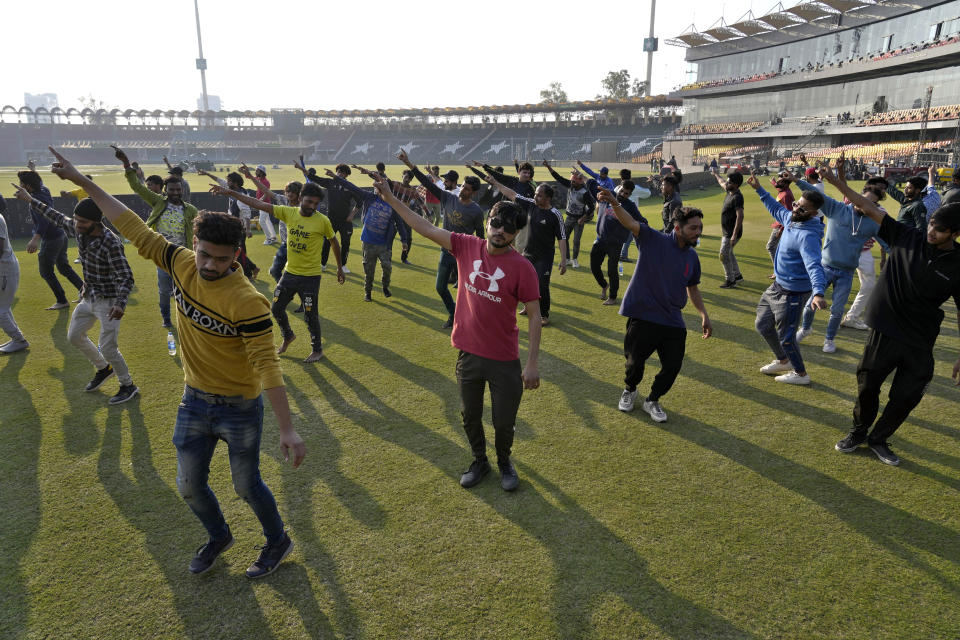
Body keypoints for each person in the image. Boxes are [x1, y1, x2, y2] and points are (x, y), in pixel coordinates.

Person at [47, 146, 305, 577]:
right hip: (194, 400)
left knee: (246, 485)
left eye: (222, 259)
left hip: (240, 406)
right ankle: (219, 535)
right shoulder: (180, 261)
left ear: (238, 255)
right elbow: (129, 223)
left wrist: (287, 428)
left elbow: (267, 366)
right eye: (204, 254)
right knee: (188, 485)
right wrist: (81, 180)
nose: (209, 265)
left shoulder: (250, 303)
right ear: (195, 246)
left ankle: (277, 540)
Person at [370, 173, 541, 492]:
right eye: (496, 223)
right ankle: (480, 461)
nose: (500, 231)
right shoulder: (465, 246)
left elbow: (533, 316)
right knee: (469, 416)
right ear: (488, 221)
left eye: (508, 227)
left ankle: (504, 461)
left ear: (516, 233)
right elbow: (426, 227)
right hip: (469, 353)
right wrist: (392, 199)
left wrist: (531, 364)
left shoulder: (523, 268)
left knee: (503, 422)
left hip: (504, 359)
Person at [822, 161, 960, 466]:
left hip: (920, 340)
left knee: (907, 395)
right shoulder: (907, 236)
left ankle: (879, 438)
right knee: (868, 386)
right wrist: (837, 183)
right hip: (885, 329)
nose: (932, 231)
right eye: (931, 224)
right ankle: (858, 432)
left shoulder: (958, 264)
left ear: (955, 233)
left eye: (940, 229)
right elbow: (868, 208)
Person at [14, 184, 138, 404]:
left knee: (108, 347)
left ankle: (128, 385)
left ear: (96, 222)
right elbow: (57, 217)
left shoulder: (110, 242)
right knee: (74, 336)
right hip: (88, 296)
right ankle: (103, 368)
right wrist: (29, 200)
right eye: (77, 220)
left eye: (83, 222)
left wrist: (120, 304)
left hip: (108, 303)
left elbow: (126, 277)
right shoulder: (80, 229)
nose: (77, 225)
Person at [598, 189, 711, 422]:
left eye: (699, 228)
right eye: (693, 228)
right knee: (634, 364)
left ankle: (653, 400)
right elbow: (630, 222)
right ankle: (630, 390)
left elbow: (693, 288)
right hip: (644, 314)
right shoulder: (652, 239)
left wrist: (703, 315)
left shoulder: (692, 257)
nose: (697, 232)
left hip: (672, 319)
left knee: (673, 366)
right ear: (678, 228)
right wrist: (615, 202)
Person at [209, 181, 344, 363]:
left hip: (311, 277)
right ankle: (288, 335)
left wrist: (339, 267)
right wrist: (230, 192)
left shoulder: (322, 221)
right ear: (300, 198)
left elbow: (334, 242)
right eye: (309, 202)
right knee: (276, 308)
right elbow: (256, 203)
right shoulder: (288, 213)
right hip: (290, 273)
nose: (312, 206)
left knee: (310, 314)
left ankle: (317, 350)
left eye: (316, 203)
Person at [793, 165, 886, 353]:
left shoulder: (873, 223)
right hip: (825, 267)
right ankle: (805, 328)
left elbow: (889, 244)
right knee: (811, 303)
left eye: (871, 204)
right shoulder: (836, 208)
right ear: (856, 197)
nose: (865, 206)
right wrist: (795, 181)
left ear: (876, 206)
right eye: (863, 200)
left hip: (846, 272)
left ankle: (829, 340)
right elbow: (813, 193)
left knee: (837, 310)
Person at [745, 171, 826, 385]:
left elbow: (814, 265)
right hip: (776, 287)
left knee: (787, 338)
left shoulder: (808, 236)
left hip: (793, 293)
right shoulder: (791, 218)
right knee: (762, 325)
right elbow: (776, 208)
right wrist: (759, 189)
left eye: (802, 207)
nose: (796, 208)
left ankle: (801, 374)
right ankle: (783, 361)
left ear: (814, 212)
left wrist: (818, 292)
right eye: (797, 204)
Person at [397, 150, 484, 328]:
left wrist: (481, 258)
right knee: (440, 287)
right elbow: (426, 183)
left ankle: (467, 319)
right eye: (463, 186)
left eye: (467, 189)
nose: (463, 190)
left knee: (466, 290)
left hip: (464, 255)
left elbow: (481, 237)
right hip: (446, 251)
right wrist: (409, 164)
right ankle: (453, 313)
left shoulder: (476, 211)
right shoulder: (448, 198)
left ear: (473, 193)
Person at [115, 145, 197, 328]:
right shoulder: (159, 202)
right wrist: (126, 164)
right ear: (165, 190)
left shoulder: (190, 210)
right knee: (163, 291)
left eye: (178, 190)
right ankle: (167, 320)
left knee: (185, 291)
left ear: (182, 190)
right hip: (163, 255)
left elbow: (196, 234)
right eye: (172, 190)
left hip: (184, 256)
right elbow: (136, 186)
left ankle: (186, 319)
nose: (175, 193)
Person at [483, 173, 566, 326]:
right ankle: (527, 308)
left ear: (548, 198)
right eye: (535, 194)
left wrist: (563, 259)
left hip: (544, 257)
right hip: (528, 253)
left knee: (541, 285)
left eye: (539, 195)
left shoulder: (555, 215)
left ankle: (544, 314)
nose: (535, 197)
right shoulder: (531, 204)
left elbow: (561, 237)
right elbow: (513, 194)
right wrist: (495, 182)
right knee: (524, 283)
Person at [323, 168, 410, 301]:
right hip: (368, 242)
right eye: (376, 186)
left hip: (384, 244)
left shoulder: (393, 205)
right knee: (369, 271)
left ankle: (385, 287)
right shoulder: (369, 197)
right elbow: (351, 186)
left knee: (387, 268)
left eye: (379, 187)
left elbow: (399, 223)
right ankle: (367, 293)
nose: (376, 188)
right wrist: (335, 177)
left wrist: (404, 240)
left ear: (387, 190)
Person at [18, 169, 84, 309]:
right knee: (64, 268)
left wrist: (35, 239)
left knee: (46, 271)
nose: (20, 185)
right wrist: (32, 169)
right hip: (61, 235)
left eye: (21, 183)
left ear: (28, 186)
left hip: (52, 240)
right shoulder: (43, 189)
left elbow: (44, 221)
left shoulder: (36, 198)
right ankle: (85, 292)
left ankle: (61, 300)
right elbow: (37, 182)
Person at [297, 162, 360, 274]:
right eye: (338, 171)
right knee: (326, 242)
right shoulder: (330, 183)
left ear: (346, 175)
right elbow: (314, 178)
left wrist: (352, 214)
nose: (339, 174)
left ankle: (343, 265)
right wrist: (301, 168)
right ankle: (323, 264)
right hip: (331, 219)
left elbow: (360, 202)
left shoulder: (350, 186)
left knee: (345, 243)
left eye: (342, 172)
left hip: (345, 221)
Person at [204, 171, 259, 280]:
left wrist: (248, 230)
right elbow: (220, 181)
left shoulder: (242, 196)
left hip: (240, 229)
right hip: (232, 227)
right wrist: (207, 173)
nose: (227, 182)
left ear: (235, 183)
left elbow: (247, 214)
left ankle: (247, 275)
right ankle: (253, 268)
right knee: (233, 250)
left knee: (240, 252)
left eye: (229, 181)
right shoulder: (233, 190)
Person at [543, 161, 594, 269]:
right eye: (571, 181)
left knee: (576, 240)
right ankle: (567, 259)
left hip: (579, 219)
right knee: (564, 238)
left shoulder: (585, 192)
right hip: (569, 217)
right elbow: (559, 178)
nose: (571, 183)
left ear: (580, 182)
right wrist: (549, 167)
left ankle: (574, 259)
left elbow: (592, 207)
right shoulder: (571, 185)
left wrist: (584, 218)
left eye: (574, 182)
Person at [0, 205, 28, 353]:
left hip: (3, 269)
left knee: (1, 310)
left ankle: (18, 340)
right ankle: (17, 338)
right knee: (3, 307)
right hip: (5, 268)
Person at [711, 169, 745, 288]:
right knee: (729, 253)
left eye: (729, 182)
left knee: (723, 255)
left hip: (731, 233)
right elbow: (721, 182)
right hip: (727, 232)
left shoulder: (737, 197)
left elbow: (740, 216)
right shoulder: (729, 191)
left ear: (736, 184)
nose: (727, 183)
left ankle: (730, 280)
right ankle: (737, 275)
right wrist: (715, 174)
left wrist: (734, 235)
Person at [253, 165, 279, 245]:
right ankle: (274, 237)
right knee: (267, 220)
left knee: (261, 221)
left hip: (265, 204)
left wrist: (260, 200)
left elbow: (266, 193)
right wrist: (245, 172)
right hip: (261, 203)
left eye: (257, 170)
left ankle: (269, 238)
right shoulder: (258, 179)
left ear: (261, 172)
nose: (256, 172)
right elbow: (252, 178)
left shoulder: (266, 182)